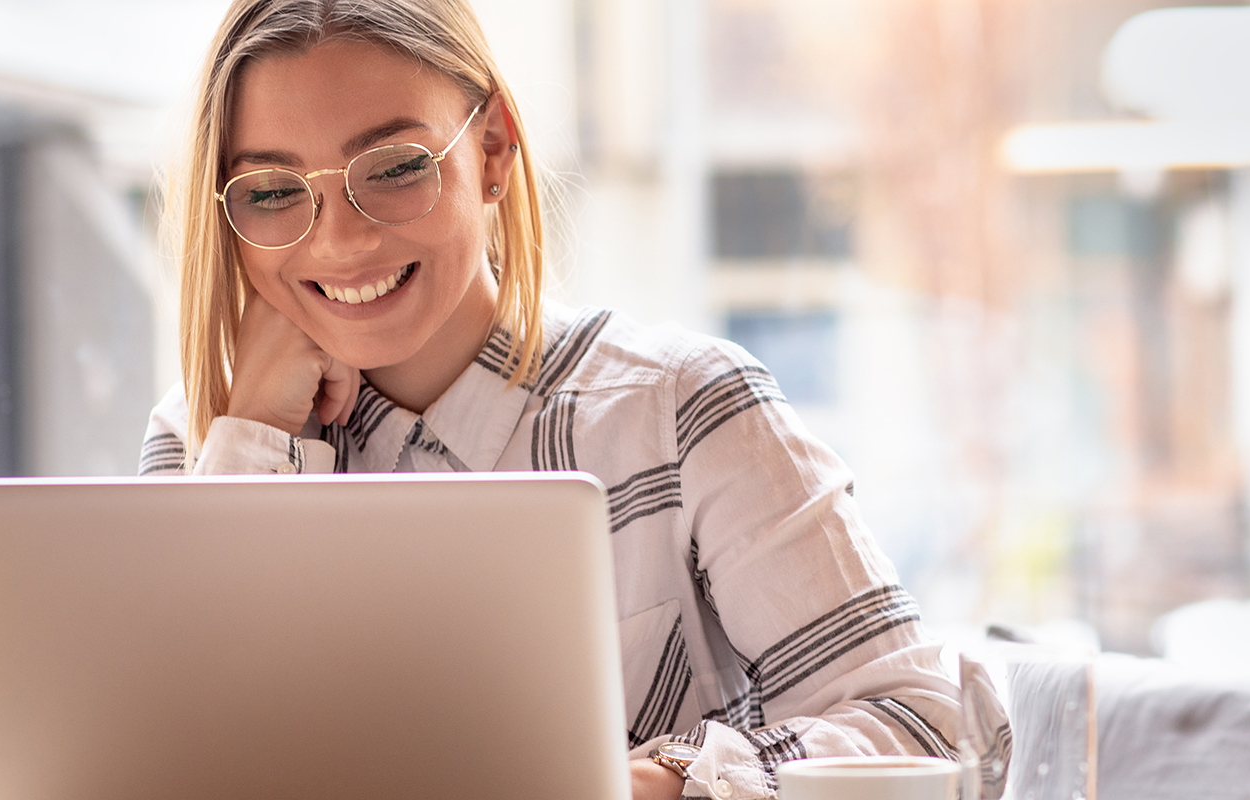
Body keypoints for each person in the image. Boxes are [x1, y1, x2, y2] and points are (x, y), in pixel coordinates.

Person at [137, 1, 961, 797]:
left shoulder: (680, 412)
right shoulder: (202, 439)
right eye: (273, 191)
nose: (340, 241)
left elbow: (926, 725)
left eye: (393, 170)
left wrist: (653, 783)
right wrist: (254, 441)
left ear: (493, 150)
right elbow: (152, 762)